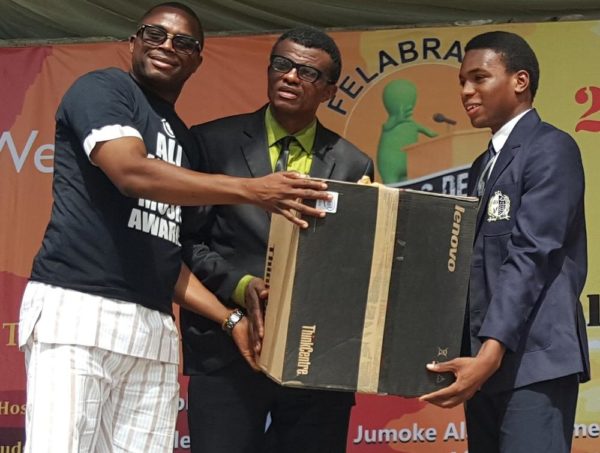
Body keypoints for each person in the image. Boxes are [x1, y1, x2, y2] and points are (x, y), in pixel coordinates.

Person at [18, 4, 331, 452]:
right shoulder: (103, 89)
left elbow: (167, 254)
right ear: (132, 42)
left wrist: (229, 318)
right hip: (80, 307)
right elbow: (129, 171)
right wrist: (253, 190)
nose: (167, 45)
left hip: (154, 326)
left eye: (183, 42)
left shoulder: (183, 139)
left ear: (198, 61)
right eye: (155, 34)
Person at [181, 27, 374, 453]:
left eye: (307, 72)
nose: (290, 77)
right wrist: (240, 286)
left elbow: (356, 264)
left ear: (328, 91)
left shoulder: (354, 163)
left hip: (317, 359)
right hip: (228, 345)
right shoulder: (211, 142)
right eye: (282, 65)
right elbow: (186, 243)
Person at [420, 31, 590, 453]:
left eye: (479, 77)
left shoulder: (551, 148)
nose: (466, 91)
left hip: (532, 363)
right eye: (462, 80)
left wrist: (489, 355)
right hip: (484, 364)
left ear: (520, 80)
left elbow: (531, 256)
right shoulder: (484, 164)